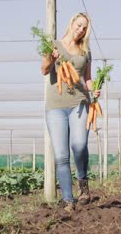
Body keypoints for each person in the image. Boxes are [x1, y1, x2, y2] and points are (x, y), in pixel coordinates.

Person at [41, 12, 101, 212]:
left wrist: (94, 90)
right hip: (56, 105)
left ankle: (82, 180)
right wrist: (52, 59)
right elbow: (43, 69)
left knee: (79, 144)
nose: (81, 30)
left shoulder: (86, 51)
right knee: (61, 156)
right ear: (72, 23)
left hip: (79, 101)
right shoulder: (53, 45)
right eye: (79, 25)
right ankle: (68, 199)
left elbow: (88, 77)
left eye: (84, 28)